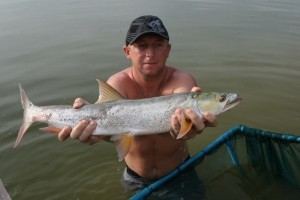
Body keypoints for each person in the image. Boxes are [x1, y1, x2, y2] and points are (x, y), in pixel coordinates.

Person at [58, 15, 217, 195]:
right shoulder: (117, 83)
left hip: (181, 171)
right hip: (135, 177)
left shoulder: (182, 81)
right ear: (127, 52)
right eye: (142, 46)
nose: (150, 53)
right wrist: (97, 135)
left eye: (158, 44)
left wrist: (184, 129)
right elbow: (113, 133)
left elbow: (184, 116)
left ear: (168, 49)